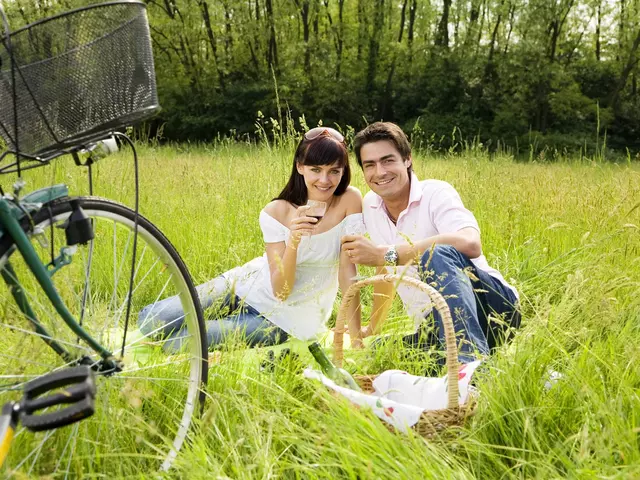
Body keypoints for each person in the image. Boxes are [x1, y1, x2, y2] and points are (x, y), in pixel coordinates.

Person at [138, 127, 365, 353]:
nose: (324, 180)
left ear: (344, 171)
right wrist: (293, 239)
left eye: (334, 171)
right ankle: (222, 313)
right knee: (151, 321)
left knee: (179, 342)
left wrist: (356, 340)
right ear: (299, 167)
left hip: (286, 318)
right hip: (243, 286)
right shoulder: (276, 211)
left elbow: (343, 275)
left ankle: (223, 322)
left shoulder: (349, 201)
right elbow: (277, 283)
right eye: (315, 169)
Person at [341, 122, 520, 363]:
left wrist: (387, 254)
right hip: (435, 323)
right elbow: (384, 271)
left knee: (435, 254)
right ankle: (463, 360)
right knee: (382, 351)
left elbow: (470, 243)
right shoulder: (371, 205)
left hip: (492, 309)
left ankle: (468, 369)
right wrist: (372, 329)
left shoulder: (435, 193)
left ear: (407, 159)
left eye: (388, 160)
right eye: (370, 165)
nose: (380, 172)